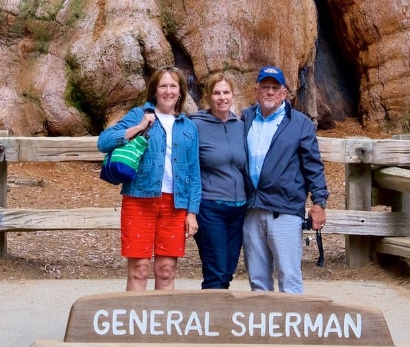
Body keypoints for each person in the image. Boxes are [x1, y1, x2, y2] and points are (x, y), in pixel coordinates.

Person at [98, 67, 201, 291]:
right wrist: (139, 128)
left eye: (173, 86)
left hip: (175, 205)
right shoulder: (138, 115)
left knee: (166, 270)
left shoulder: (189, 127)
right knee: (140, 270)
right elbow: (103, 142)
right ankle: (135, 325)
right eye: (163, 86)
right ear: (154, 90)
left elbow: (194, 172)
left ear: (181, 92)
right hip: (139, 199)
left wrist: (192, 212)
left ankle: (161, 325)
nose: (168, 91)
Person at [240, 66, 326, 294]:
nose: (270, 92)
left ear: (284, 93)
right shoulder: (245, 119)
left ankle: (292, 329)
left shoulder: (299, 124)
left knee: (289, 277)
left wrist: (319, 202)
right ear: (256, 90)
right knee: (258, 280)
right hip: (252, 209)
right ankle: (264, 329)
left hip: (285, 210)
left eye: (275, 88)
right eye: (265, 87)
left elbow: (313, 166)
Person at [189, 72, 247, 289]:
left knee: (228, 271)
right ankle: (211, 321)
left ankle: (217, 318)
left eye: (226, 92)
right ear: (207, 96)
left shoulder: (241, 125)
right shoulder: (195, 125)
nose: (222, 97)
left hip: (239, 208)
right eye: (216, 93)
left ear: (232, 95)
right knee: (216, 271)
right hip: (210, 206)